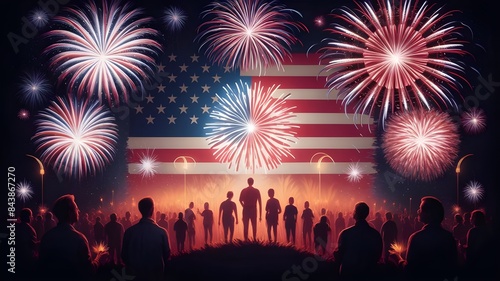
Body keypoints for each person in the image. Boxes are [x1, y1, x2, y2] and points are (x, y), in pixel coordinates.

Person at [38, 194, 106, 281]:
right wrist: (99, 259)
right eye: (76, 208)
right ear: (70, 213)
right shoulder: (78, 239)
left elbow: (41, 269)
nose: (79, 211)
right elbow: (88, 271)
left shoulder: (46, 238)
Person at [390, 196, 458, 281]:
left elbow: (409, 270)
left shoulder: (416, 237)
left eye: (420, 209)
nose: (418, 211)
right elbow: (453, 268)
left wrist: (398, 258)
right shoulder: (449, 237)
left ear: (428, 213)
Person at [121, 197, 171, 281]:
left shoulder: (129, 232)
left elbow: (124, 255)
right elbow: (167, 254)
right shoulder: (162, 232)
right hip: (155, 276)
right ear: (152, 209)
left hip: (135, 276)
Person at [333, 202, 383, 281]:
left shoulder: (345, 233)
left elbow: (338, 255)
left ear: (355, 213)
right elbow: (377, 256)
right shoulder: (375, 235)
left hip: (348, 274)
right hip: (368, 275)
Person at [463, 209, 494, 281]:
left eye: (472, 217)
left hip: (475, 264)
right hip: (487, 263)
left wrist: (462, 248)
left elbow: (470, 249)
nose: (470, 218)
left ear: (474, 219)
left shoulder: (473, 231)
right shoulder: (488, 230)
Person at [17, 208, 38, 280]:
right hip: (27, 260)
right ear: (29, 217)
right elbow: (32, 245)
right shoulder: (29, 229)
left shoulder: (16, 227)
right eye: (31, 216)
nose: (32, 218)